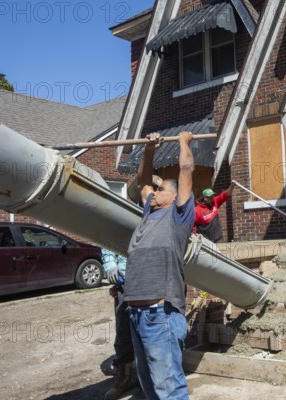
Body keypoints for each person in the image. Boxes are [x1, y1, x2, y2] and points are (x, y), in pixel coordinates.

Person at [124, 131, 195, 400]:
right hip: (136, 314)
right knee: (151, 388)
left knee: (168, 388)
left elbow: (186, 168)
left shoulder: (178, 216)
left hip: (160, 315)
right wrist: (150, 149)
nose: (154, 193)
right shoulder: (148, 212)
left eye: (161, 189)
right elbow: (143, 181)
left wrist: (183, 142)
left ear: (176, 196)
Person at [102, 249, 136, 400]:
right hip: (125, 280)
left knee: (150, 330)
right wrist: (110, 266)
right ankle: (125, 376)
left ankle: (149, 376)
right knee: (123, 331)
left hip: (148, 275)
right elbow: (108, 239)